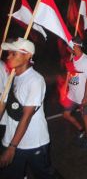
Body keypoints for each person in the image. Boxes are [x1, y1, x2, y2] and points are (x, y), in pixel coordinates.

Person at [0, 38, 59, 178]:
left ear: (27, 56)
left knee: (43, 175)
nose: (8, 56)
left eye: (14, 53)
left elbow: (27, 116)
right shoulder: (11, 76)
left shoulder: (35, 80)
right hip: (10, 138)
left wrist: (12, 147)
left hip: (33, 142)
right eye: (8, 53)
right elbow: (3, 103)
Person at [63, 36, 87, 147]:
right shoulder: (72, 58)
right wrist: (65, 88)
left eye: (69, 45)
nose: (67, 48)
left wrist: (85, 97)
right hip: (72, 94)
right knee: (66, 114)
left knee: (84, 116)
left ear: (75, 46)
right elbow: (69, 74)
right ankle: (81, 129)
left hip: (82, 96)